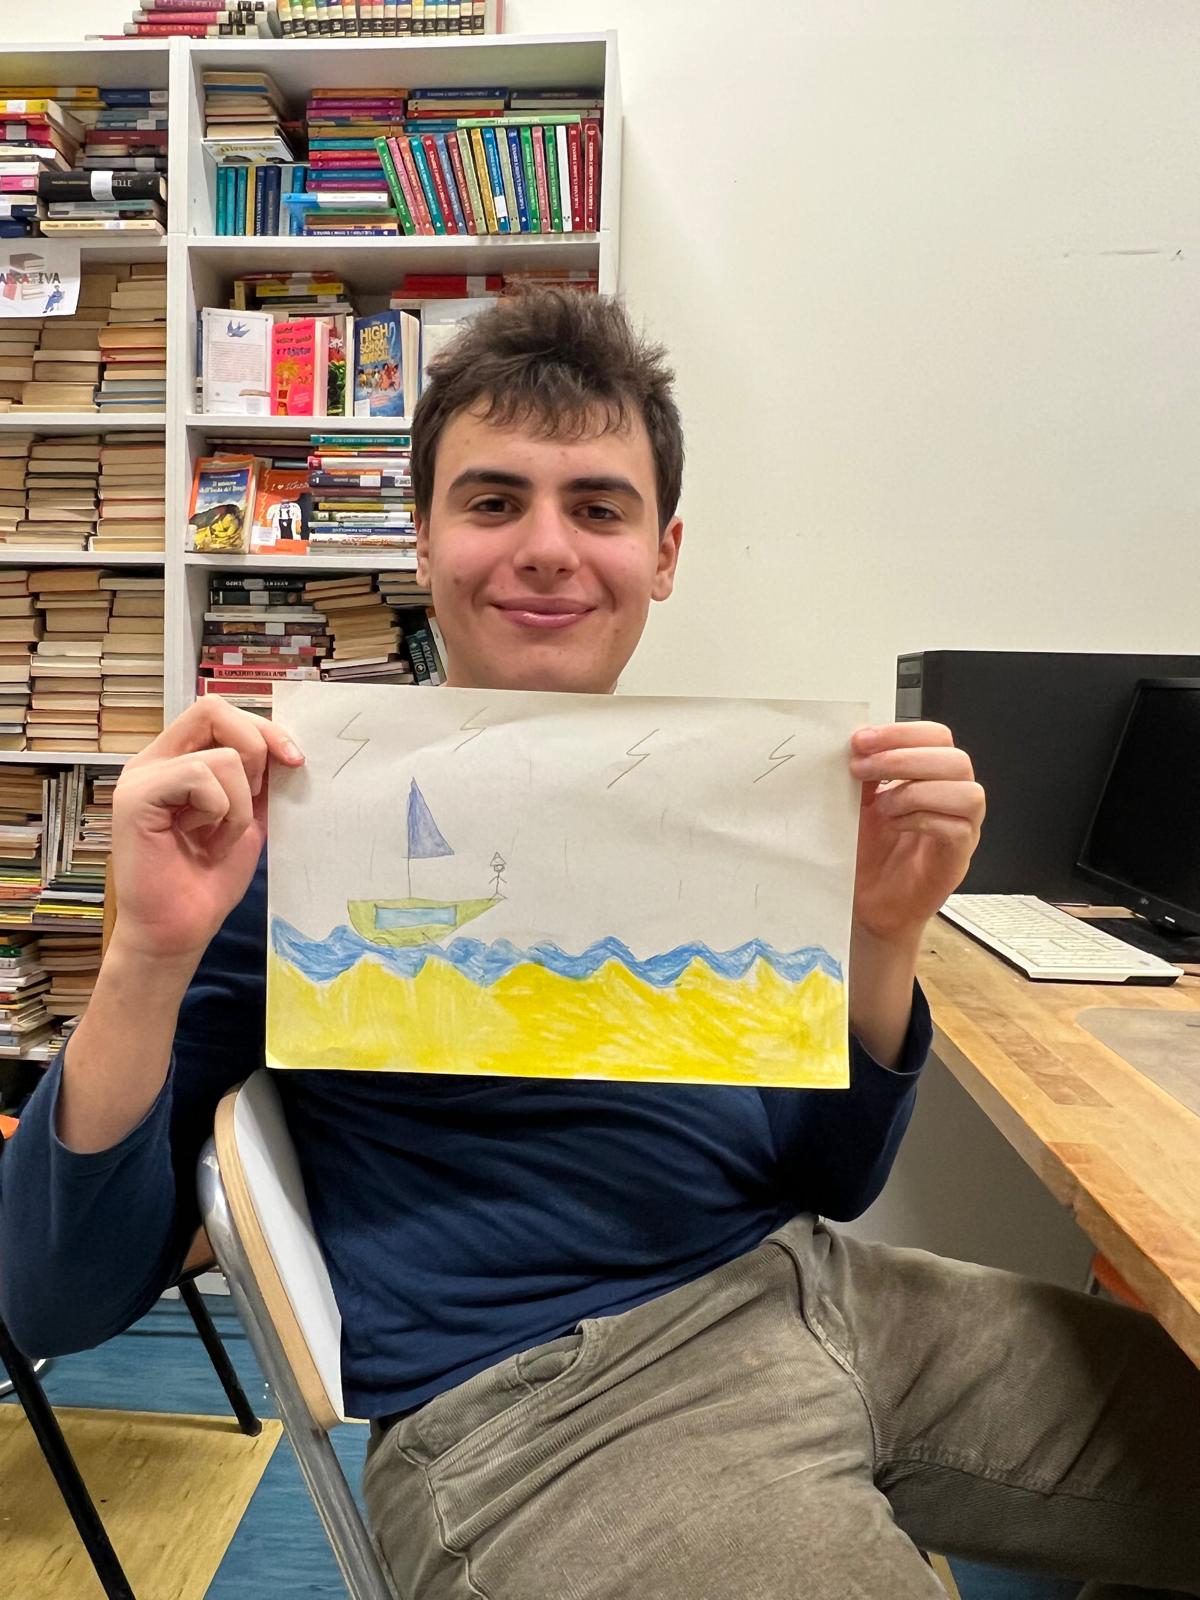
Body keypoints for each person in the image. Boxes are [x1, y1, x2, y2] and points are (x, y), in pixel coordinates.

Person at [1, 290, 1197, 1600]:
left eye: (599, 508)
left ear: (663, 554)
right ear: (422, 540)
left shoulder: (726, 814)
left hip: (815, 1288)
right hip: (545, 1406)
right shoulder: (287, 835)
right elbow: (50, 1297)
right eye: (494, 500)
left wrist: (877, 937)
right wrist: (145, 958)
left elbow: (828, 1178)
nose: (546, 549)